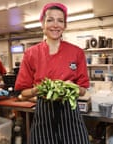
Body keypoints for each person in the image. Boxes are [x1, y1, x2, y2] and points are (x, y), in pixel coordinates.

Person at [15, 3, 90, 144]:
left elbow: (83, 90)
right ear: (42, 24)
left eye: (60, 21)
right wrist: (38, 90)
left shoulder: (77, 52)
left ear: (65, 25)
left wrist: (71, 87)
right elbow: (23, 92)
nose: (55, 25)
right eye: (50, 20)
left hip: (70, 113)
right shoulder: (31, 53)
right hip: (44, 113)